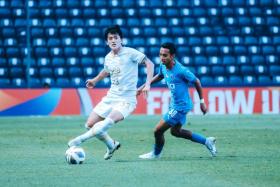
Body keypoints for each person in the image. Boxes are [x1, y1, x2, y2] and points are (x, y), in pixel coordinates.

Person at [68, 25, 154, 160]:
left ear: (121, 40)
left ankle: (78, 140)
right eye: (110, 38)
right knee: (90, 125)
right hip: (111, 97)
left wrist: (147, 84)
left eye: (116, 37)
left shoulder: (130, 53)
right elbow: (106, 71)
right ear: (106, 42)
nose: (113, 40)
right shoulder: (108, 57)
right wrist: (95, 80)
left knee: (105, 124)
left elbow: (150, 64)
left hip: (126, 99)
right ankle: (111, 145)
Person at [138, 42, 217, 159]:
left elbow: (197, 82)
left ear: (172, 56)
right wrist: (144, 85)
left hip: (180, 107)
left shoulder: (181, 71)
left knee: (157, 131)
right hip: (175, 104)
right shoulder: (163, 66)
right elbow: (160, 75)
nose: (162, 58)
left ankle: (156, 154)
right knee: (176, 132)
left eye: (165, 55)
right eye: (160, 54)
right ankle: (206, 141)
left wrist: (202, 102)